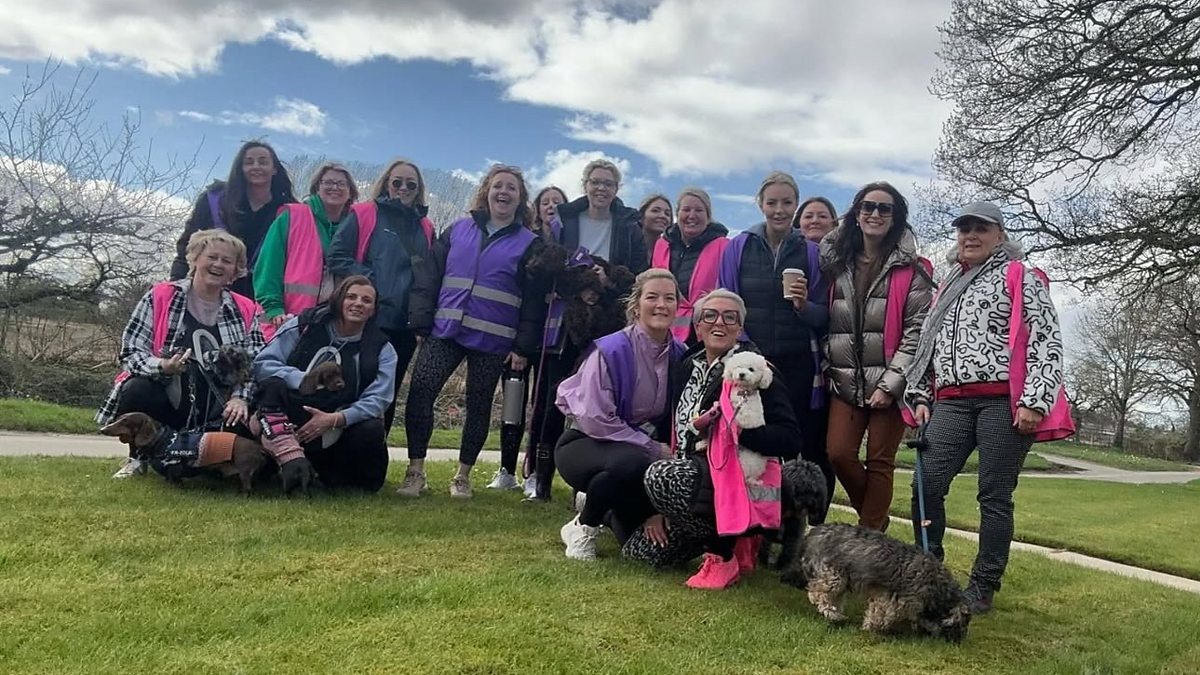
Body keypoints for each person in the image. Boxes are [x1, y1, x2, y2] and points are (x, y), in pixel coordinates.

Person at [904, 202, 1066, 615]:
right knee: (925, 485)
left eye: (981, 228)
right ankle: (930, 572)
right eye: (964, 229)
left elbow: (1045, 340)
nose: (970, 236)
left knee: (994, 495)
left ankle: (983, 585)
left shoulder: (1020, 276)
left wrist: (1035, 401)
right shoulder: (948, 284)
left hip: (1001, 402)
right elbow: (930, 344)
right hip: (950, 402)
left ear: (999, 236)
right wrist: (921, 395)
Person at [623, 289, 802, 589]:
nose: (719, 322)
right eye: (710, 315)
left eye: (730, 317)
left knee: (662, 476)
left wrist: (741, 433)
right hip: (689, 482)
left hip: (736, 478)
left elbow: (791, 439)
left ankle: (723, 552)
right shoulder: (686, 365)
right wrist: (659, 507)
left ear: (739, 328)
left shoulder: (757, 370)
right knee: (642, 554)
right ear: (698, 325)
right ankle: (712, 536)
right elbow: (670, 427)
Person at [400, 164, 548, 498]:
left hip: (493, 339)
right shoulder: (457, 229)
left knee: (479, 406)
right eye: (498, 186)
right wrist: (421, 321)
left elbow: (534, 301)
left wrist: (522, 347)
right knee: (421, 391)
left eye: (511, 188)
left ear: (520, 198)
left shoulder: (531, 244)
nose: (503, 192)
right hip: (445, 331)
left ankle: (462, 476)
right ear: (486, 191)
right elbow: (429, 277)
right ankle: (415, 471)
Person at [526, 159, 649, 501]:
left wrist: (606, 283)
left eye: (608, 183)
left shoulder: (629, 227)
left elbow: (638, 274)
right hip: (565, 323)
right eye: (595, 181)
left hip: (607, 322)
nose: (601, 188)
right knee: (552, 399)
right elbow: (544, 264)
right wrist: (575, 285)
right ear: (585, 185)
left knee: (602, 400)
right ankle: (540, 478)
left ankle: (589, 482)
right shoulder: (564, 220)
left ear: (617, 189)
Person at [100, 230, 265, 478]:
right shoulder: (159, 296)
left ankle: (214, 462)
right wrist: (163, 366)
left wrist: (240, 398)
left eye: (227, 261)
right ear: (195, 259)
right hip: (169, 392)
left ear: (235, 270)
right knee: (136, 388)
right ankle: (137, 459)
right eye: (212, 257)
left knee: (251, 411)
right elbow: (131, 352)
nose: (218, 264)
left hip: (220, 402)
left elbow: (256, 362)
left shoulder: (247, 308)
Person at [718, 171, 834, 515]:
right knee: (751, 440)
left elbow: (823, 314)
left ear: (796, 205)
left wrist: (802, 305)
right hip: (751, 359)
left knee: (799, 442)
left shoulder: (811, 251)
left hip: (797, 362)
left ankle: (807, 520)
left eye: (787, 202)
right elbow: (727, 301)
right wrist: (743, 345)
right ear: (760, 205)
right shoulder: (738, 246)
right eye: (772, 202)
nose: (779, 210)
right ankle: (753, 516)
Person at [821, 181, 933, 531]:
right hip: (844, 380)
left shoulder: (914, 270)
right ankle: (877, 524)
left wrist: (890, 384)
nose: (875, 214)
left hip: (891, 382)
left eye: (885, 208)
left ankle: (869, 538)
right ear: (856, 213)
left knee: (880, 462)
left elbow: (917, 331)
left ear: (896, 217)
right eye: (868, 206)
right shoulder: (837, 264)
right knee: (838, 454)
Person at [554, 269, 687, 560]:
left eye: (669, 298)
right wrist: (653, 449)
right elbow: (596, 419)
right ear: (636, 306)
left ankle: (600, 504)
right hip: (585, 443)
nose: (661, 305)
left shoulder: (681, 354)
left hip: (635, 454)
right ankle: (582, 527)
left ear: (678, 307)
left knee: (647, 549)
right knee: (631, 461)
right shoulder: (610, 350)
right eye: (652, 297)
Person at [250, 275, 396, 493]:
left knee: (371, 429)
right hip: (291, 413)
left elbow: (379, 399)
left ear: (374, 309)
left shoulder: (382, 349)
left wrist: (335, 419)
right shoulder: (303, 325)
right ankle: (277, 455)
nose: (358, 303)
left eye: (366, 300)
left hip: (337, 425)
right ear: (338, 300)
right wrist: (303, 379)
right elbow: (263, 364)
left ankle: (336, 475)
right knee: (271, 387)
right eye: (351, 297)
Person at [327, 159, 435, 431]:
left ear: (418, 190)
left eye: (411, 184)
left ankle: (376, 450)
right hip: (367, 318)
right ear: (386, 183)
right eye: (397, 182)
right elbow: (337, 255)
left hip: (404, 325)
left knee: (388, 393)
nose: (403, 188)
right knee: (355, 386)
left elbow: (427, 276)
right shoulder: (364, 213)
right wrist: (372, 282)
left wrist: (422, 318)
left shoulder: (426, 227)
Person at [485, 184, 569, 492]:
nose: (551, 206)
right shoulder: (525, 242)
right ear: (536, 208)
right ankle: (506, 470)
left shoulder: (570, 244)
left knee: (544, 406)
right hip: (521, 334)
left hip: (554, 340)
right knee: (513, 402)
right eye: (546, 202)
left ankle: (536, 473)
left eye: (558, 202)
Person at [170, 141, 298, 298]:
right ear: (240, 168)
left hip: (263, 295)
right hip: (211, 290)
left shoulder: (291, 211)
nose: (256, 166)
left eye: (263, 162)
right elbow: (187, 244)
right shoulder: (214, 200)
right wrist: (176, 284)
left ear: (274, 169)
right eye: (249, 162)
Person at [253, 162, 359, 338]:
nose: (335, 187)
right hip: (288, 320)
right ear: (317, 187)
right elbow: (269, 266)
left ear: (350, 192)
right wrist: (273, 308)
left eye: (341, 184)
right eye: (328, 182)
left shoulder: (356, 225)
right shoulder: (292, 216)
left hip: (335, 323)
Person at [651, 188, 729, 343]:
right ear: (677, 214)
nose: (692, 215)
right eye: (686, 210)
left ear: (708, 216)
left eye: (699, 210)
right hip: (664, 329)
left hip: (706, 332)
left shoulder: (725, 247)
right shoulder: (662, 245)